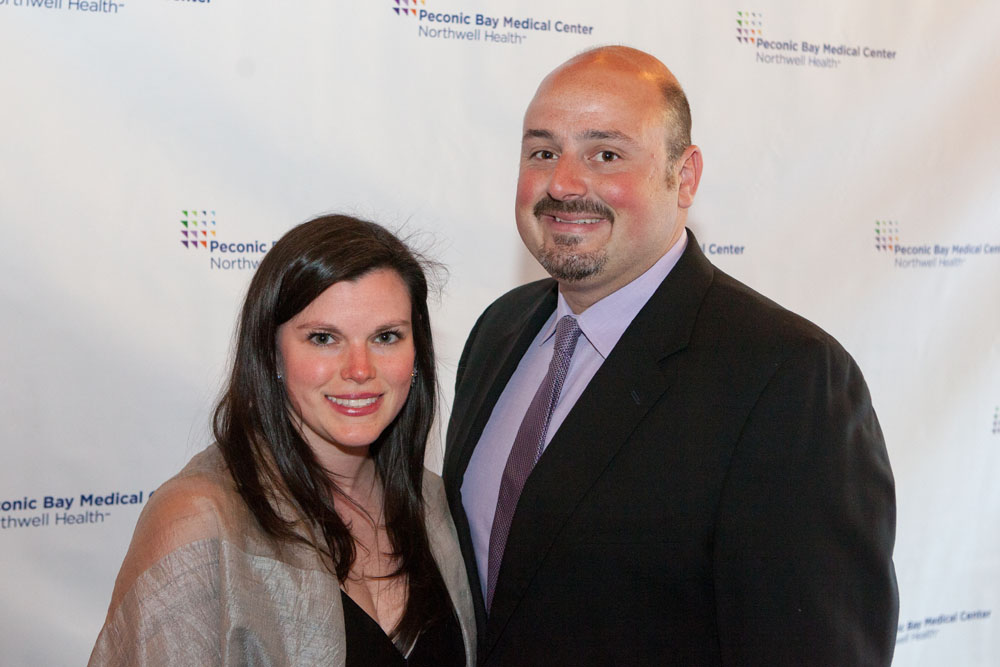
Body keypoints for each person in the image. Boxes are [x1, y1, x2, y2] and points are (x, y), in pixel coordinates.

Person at [444, 46, 898, 665]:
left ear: (683, 178)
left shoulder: (788, 379)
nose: (564, 184)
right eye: (543, 152)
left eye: (605, 154)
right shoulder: (497, 332)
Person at [90, 215, 475, 666]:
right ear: (271, 352)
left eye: (386, 337)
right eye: (324, 338)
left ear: (416, 354)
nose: (359, 369)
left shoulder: (432, 504)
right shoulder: (199, 521)